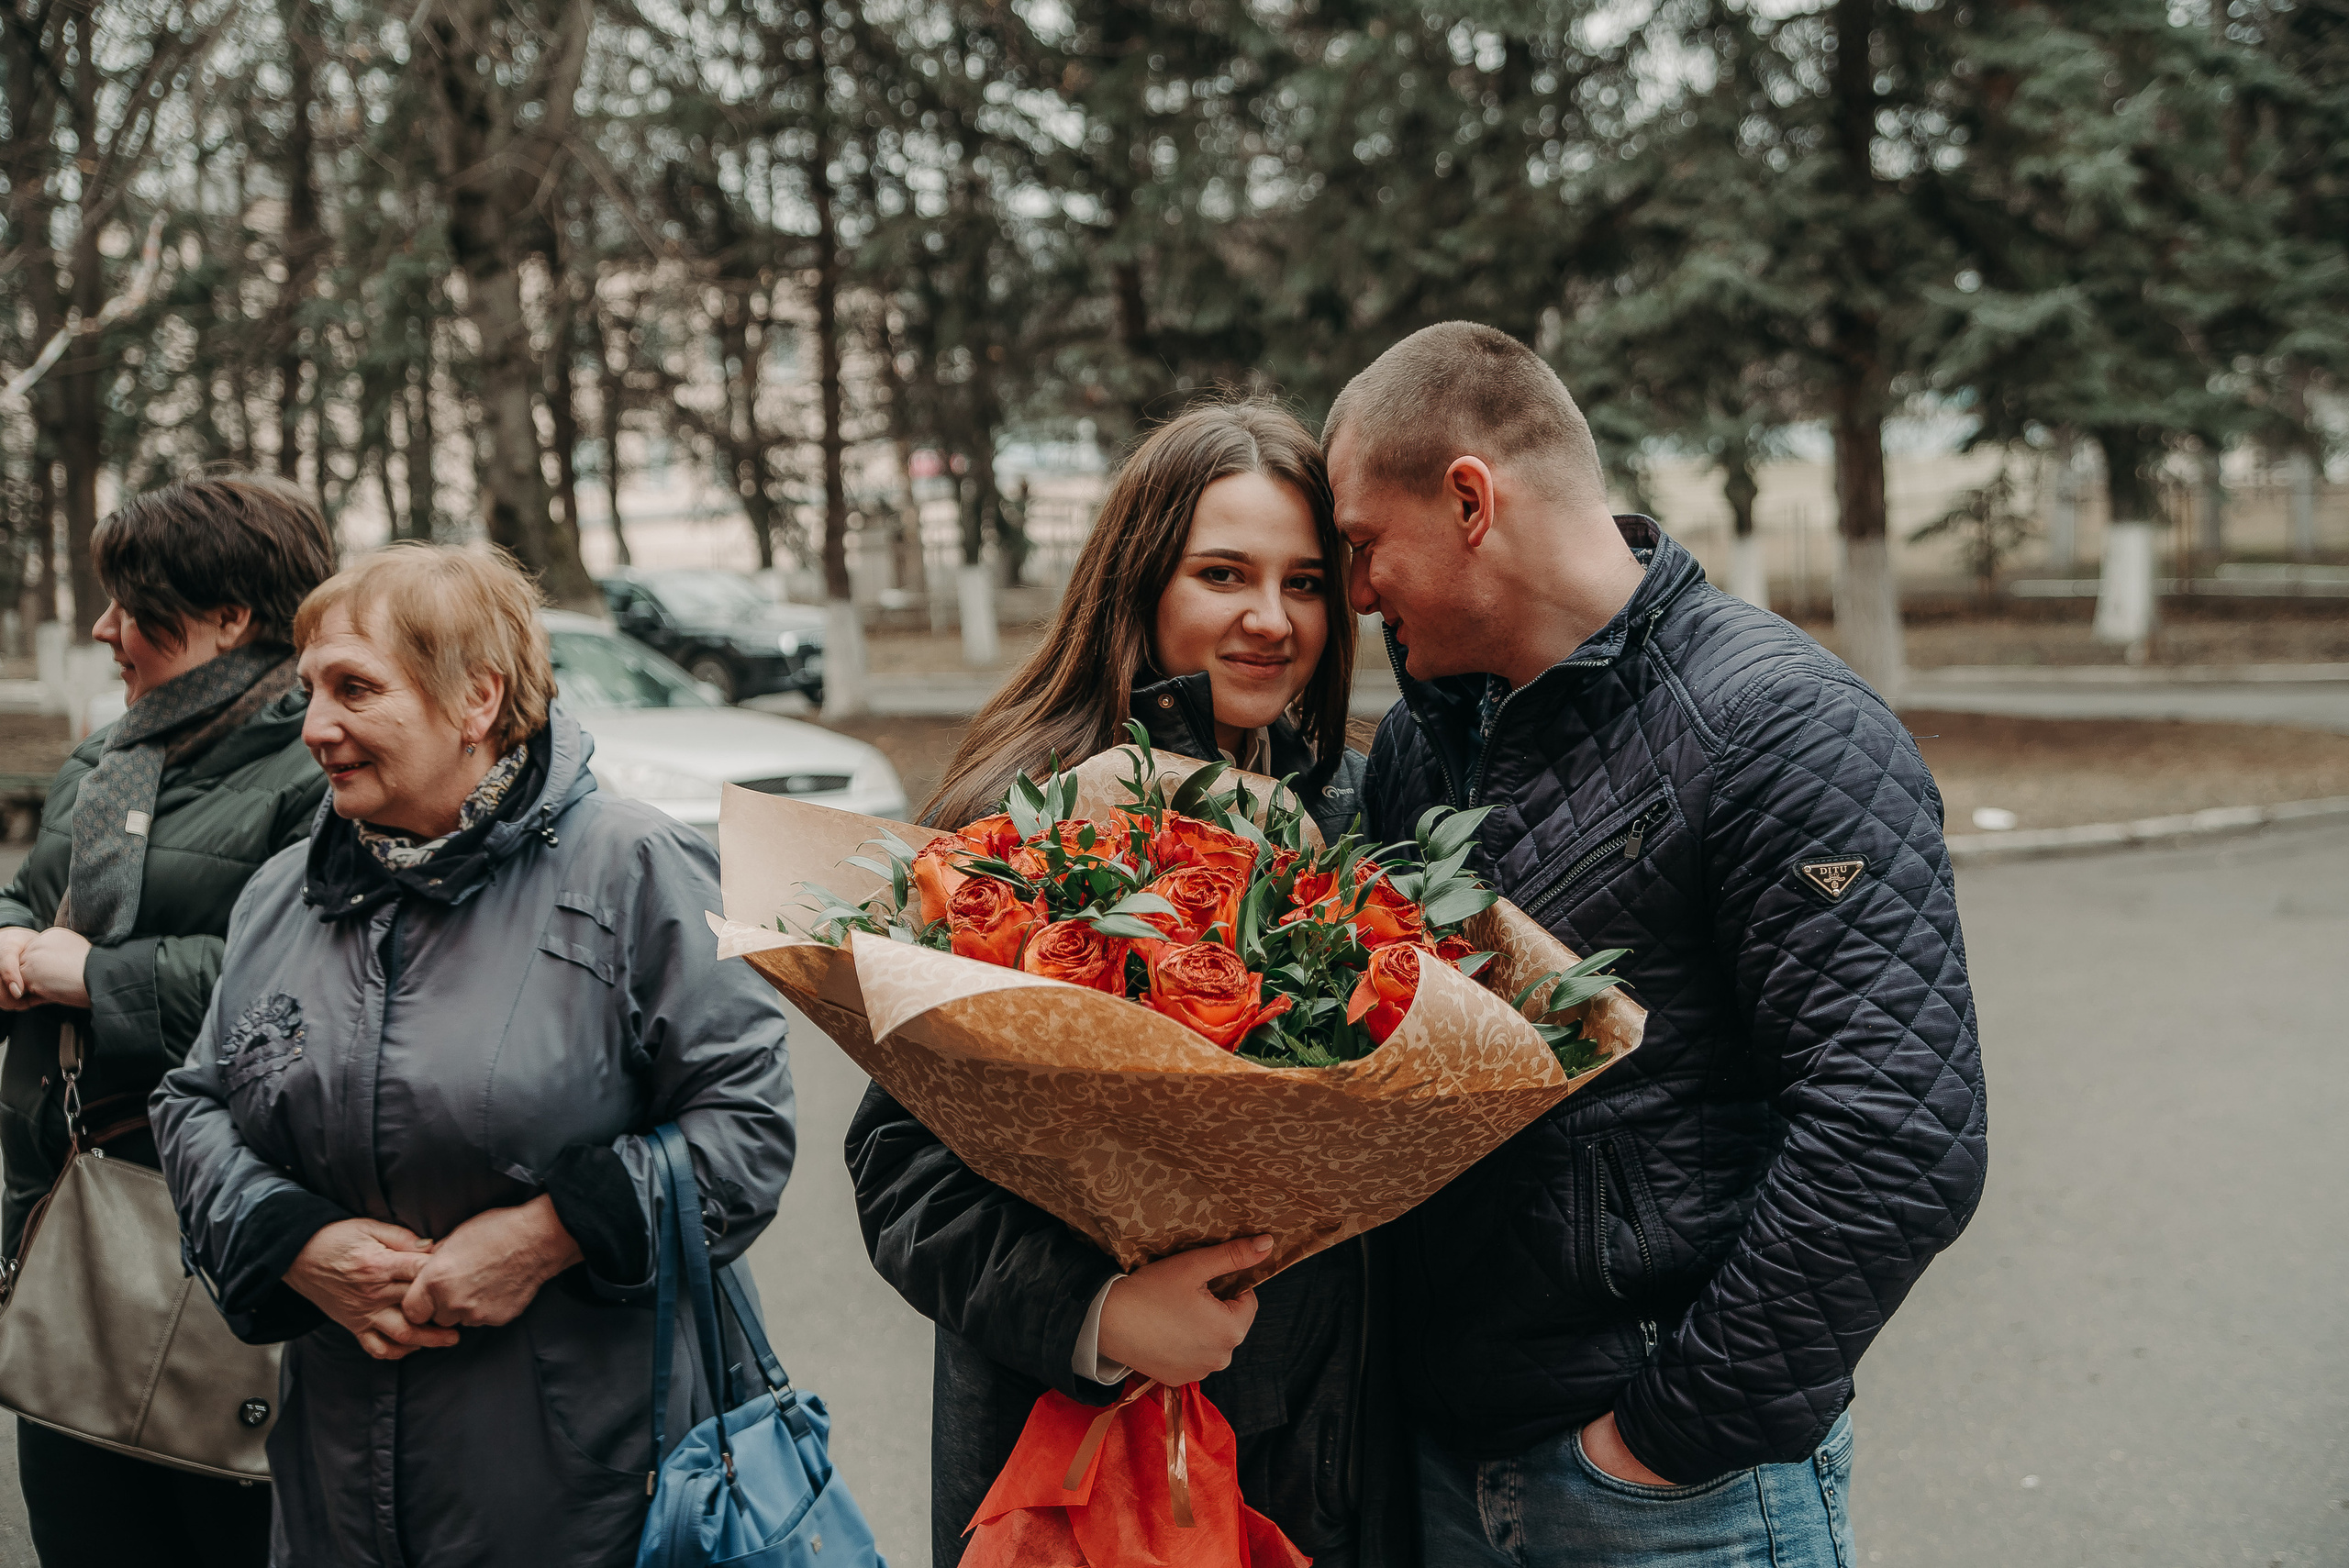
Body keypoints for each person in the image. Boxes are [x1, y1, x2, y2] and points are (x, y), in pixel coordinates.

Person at [1329, 322, 1987, 1565]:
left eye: (1366, 547)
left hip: (1667, 1494)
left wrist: (1664, 1441)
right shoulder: (1420, 746)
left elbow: (1895, 1135)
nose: (1358, 594)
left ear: (1470, 500)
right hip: (1445, 1457)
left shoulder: (1781, 727)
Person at [149, 544, 795, 1567]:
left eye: (356, 688)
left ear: (477, 698)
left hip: (590, 1482)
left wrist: (546, 1235)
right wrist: (294, 1242)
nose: (316, 726)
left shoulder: (634, 865)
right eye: (310, 688)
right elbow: (192, 1102)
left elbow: (744, 1131)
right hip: (335, 1480)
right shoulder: (285, 888)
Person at [850, 401, 1412, 1567]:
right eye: (1223, 573)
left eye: (1304, 582)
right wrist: (1101, 1314)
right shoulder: (1027, 821)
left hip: (1326, 1456)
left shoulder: (1358, 812)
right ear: (1140, 581)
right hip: (1085, 1468)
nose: (1269, 619)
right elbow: (900, 1172)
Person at [0, 474, 335, 1566]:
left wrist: (93, 975)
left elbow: (312, 987)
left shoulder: (318, 765)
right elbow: (32, 896)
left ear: (231, 616)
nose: (105, 631)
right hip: (72, 1205)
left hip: (222, 1234)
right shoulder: (114, 753)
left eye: (133, 605)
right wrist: (11, 943)